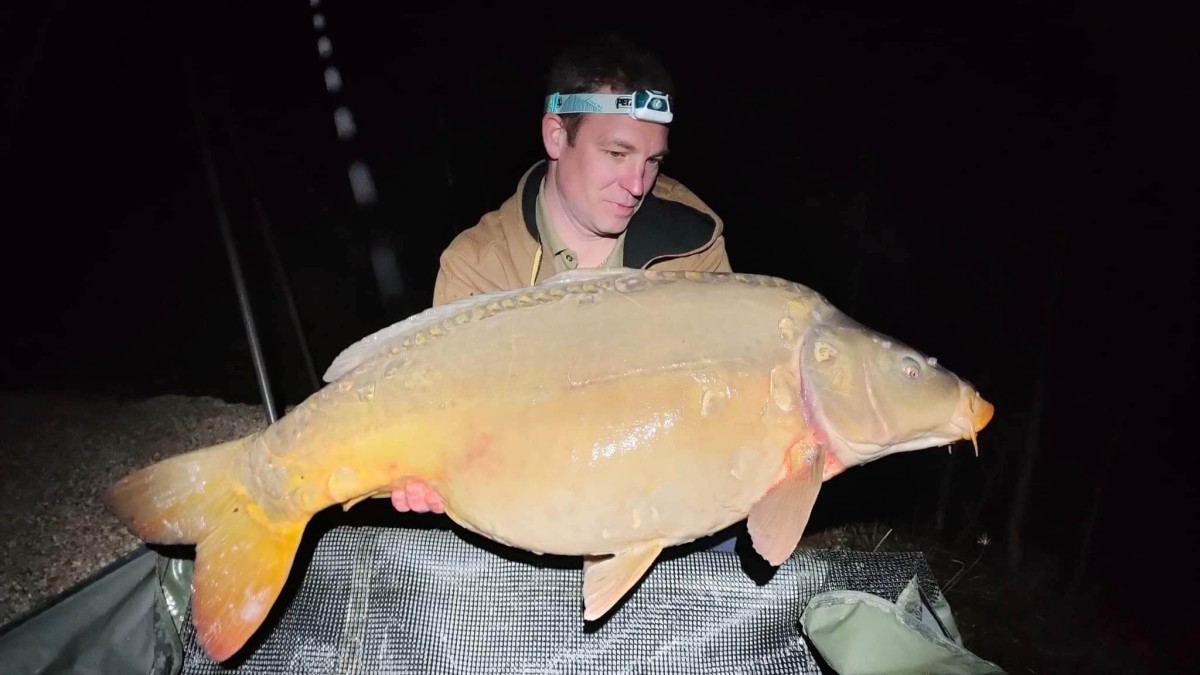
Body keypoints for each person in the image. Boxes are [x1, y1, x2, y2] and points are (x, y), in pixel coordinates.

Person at [391, 35, 735, 553]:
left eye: (653, 161)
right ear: (556, 136)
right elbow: (459, 421)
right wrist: (433, 467)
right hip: (534, 503)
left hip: (666, 499)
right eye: (616, 153)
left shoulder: (691, 243)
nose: (638, 184)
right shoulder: (479, 266)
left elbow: (718, 400)